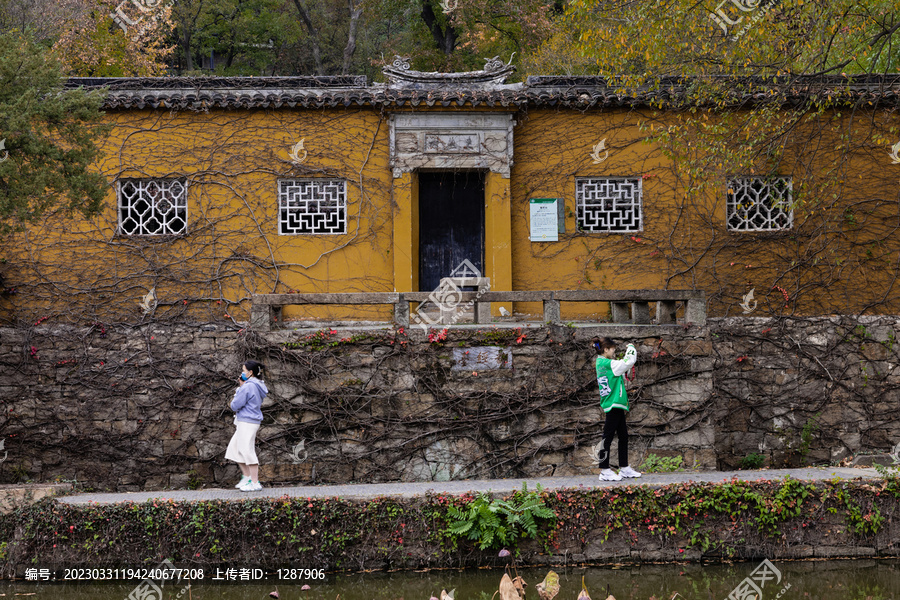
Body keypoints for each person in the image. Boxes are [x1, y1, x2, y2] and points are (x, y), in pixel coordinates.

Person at [592, 337, 640, 481]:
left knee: (623, 436)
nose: (614, 352)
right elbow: (628, 361)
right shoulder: (607, 363)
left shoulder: (601, 362)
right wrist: (631, 348)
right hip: (613, 403)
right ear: (606, 349)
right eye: (612, 349)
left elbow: (620, 366)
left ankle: (624, 468)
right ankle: (604, 470)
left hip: (614, 403)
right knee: (607, 437)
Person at [225, 360, 268, 491]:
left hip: (247, 422)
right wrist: (243, 386)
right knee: (235, 449)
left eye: (244, 371)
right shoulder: (255, 385)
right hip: (248, 421)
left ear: (250, 373)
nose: (242, 373)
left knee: (247, 450)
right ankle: (247, 477)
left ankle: (254, 482)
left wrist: (240, 388)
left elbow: (235, 405)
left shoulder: (248, 386)